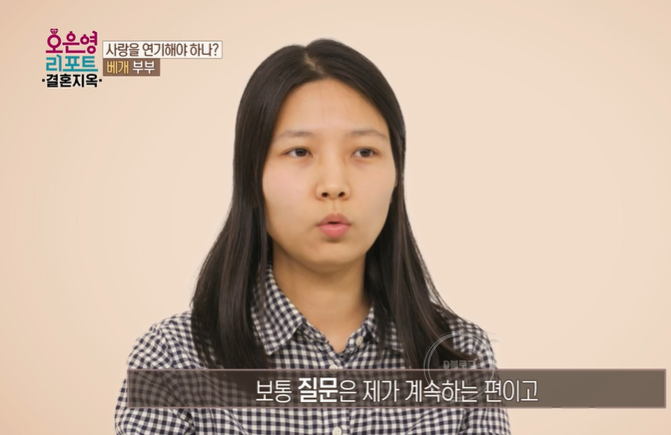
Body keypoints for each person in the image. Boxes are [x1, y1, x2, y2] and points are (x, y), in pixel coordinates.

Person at [114, 38, 511, 434]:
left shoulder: (462, 356)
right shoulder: (172, 360)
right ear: (252, 176)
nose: (334, 185)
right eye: (300, 151)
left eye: (364, 152)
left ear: (397, 176)